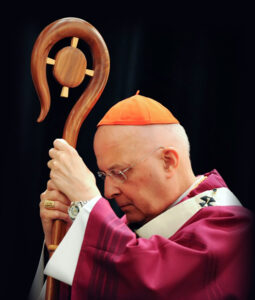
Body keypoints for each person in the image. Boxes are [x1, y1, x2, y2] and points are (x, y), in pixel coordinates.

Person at [37, 94, 253, 300]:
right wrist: (64, 243)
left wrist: (88, 204)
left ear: (168, 161)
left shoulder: (236, 233)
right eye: (104, 175)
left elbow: (156, 288)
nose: (108, 192)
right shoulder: (118, 232)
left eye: (119, 173)